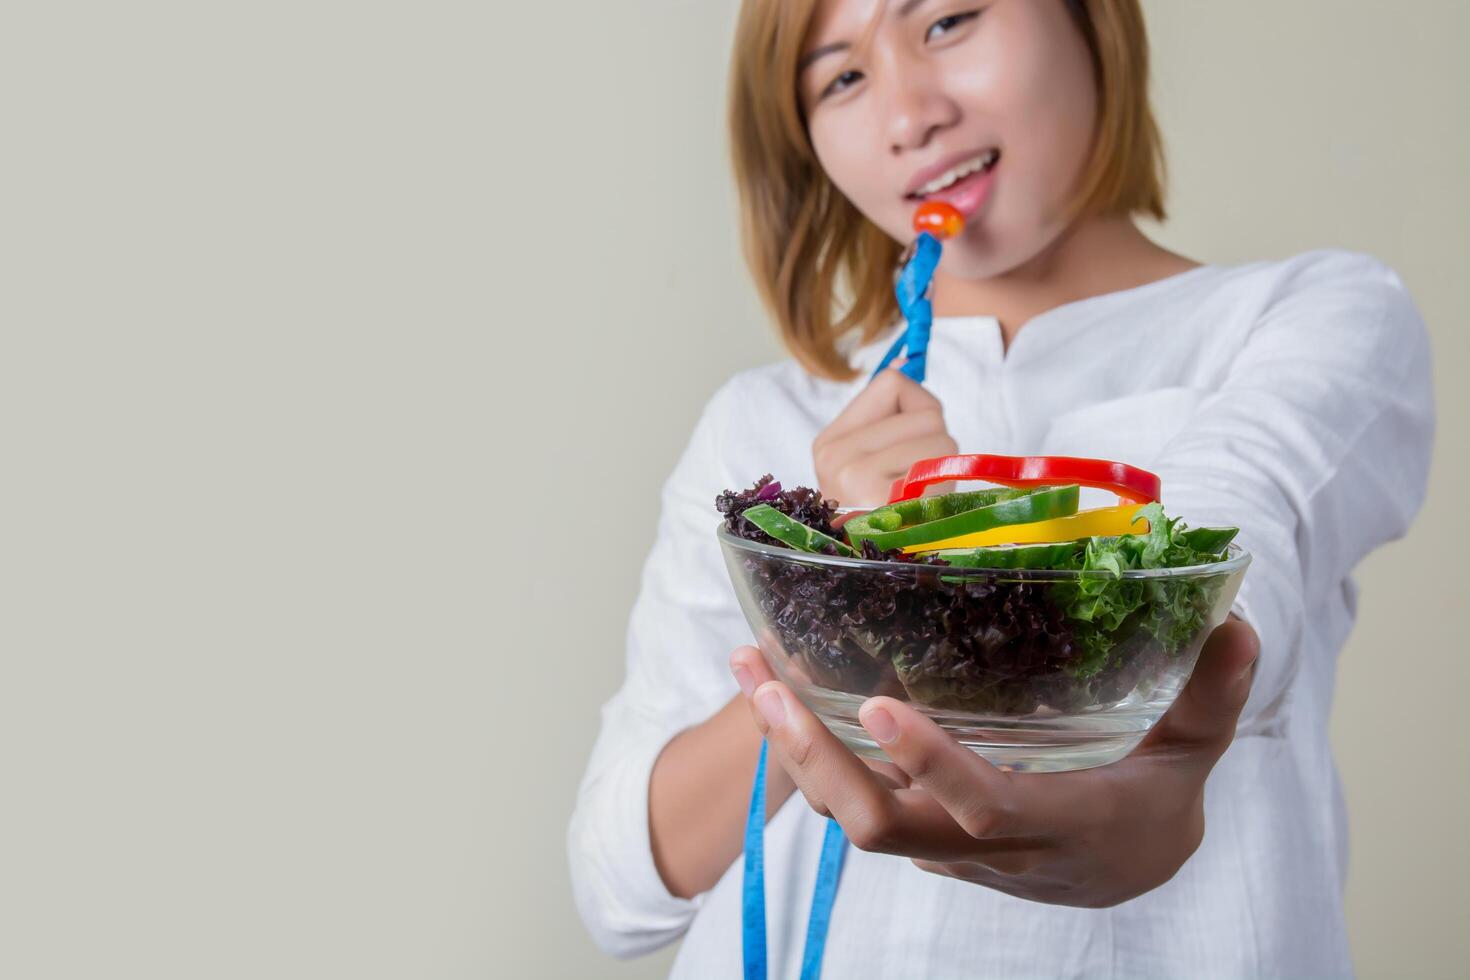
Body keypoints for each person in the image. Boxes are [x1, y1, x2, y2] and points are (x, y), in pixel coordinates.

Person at [568, 0, 1435, 975]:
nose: (910, 113)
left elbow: (1232, 567)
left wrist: (1149, 780)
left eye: (947, 21)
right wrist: (834, 587)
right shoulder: (761, 424)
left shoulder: (1305, 320)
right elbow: (624, 883)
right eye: (841, 77)